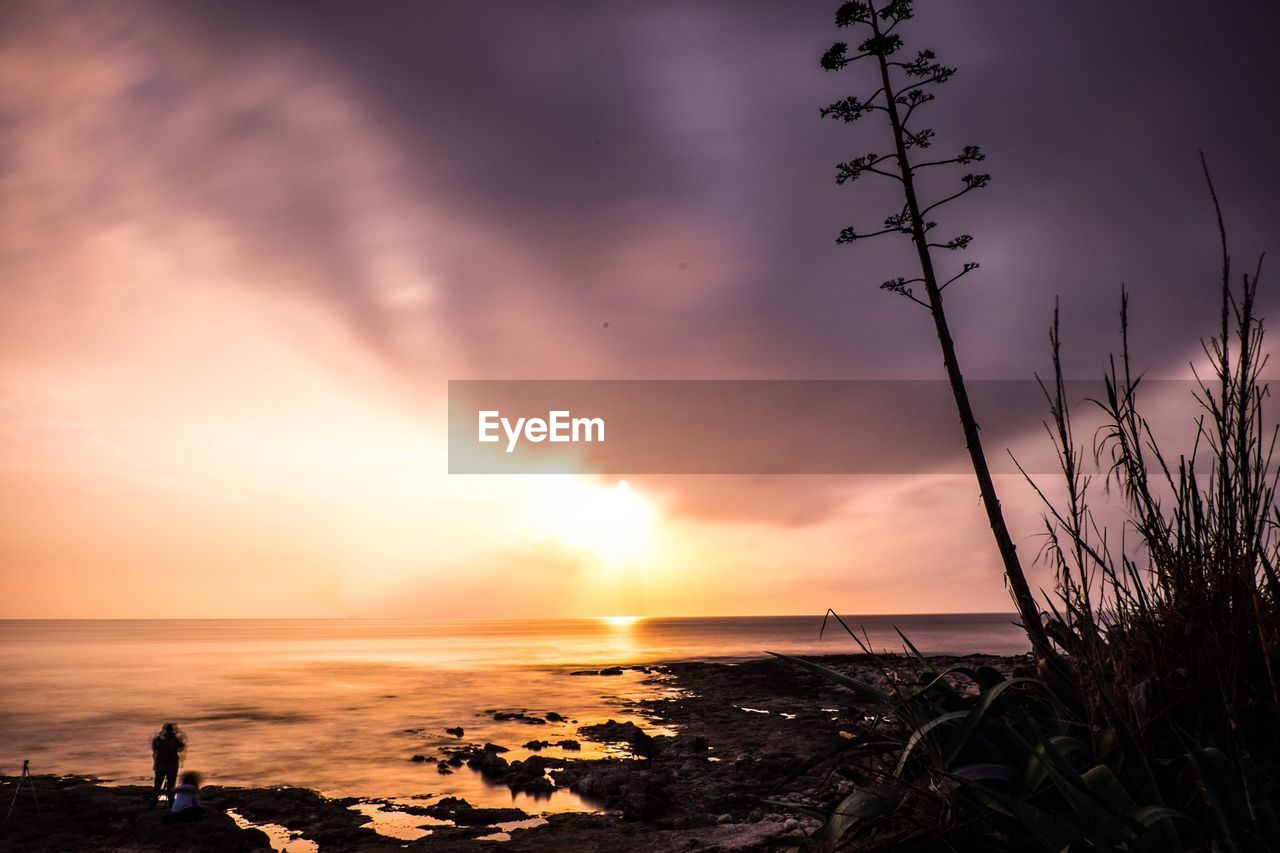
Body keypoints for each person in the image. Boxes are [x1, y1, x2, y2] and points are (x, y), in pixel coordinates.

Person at [150, 723, 186, 808]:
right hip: (172, 766)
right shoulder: (175, 740)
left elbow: (154, 750)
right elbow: (182, 747)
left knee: (157, 785)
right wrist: (180, 733)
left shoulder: (158, 740)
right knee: (171, 786)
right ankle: (171, 804)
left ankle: (153, 804)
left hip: (160, 766)